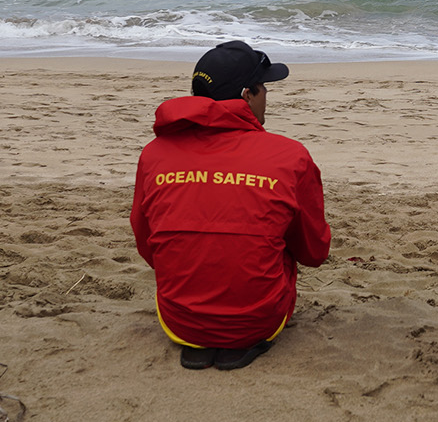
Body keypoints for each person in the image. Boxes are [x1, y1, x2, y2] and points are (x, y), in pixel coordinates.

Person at [131, 40, 331, 371]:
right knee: (277, 235)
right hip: (258, 321)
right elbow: (314, 252)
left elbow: (146, 244)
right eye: (263, 87)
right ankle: (241, 332)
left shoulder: (153, 154)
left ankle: (203, 335)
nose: (267, 95)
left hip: (179, 319)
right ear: (246, 95)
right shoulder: (289, 156)